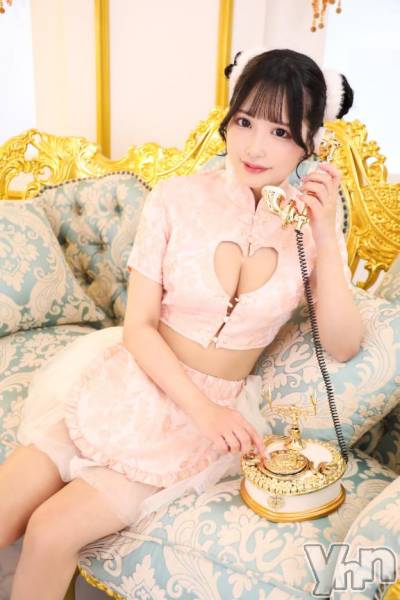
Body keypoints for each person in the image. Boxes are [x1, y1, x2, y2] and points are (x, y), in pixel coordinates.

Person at [0, 48, 363, 598]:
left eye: (281, 132)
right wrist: (203, 409)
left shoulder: (309, 228)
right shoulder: (176, 199)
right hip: (134, 381)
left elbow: (344, 342)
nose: (254, 146)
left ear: (310, 144)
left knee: (51, 531)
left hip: (197, 430)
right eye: (244, 121)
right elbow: (139, 326)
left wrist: (325, 235)